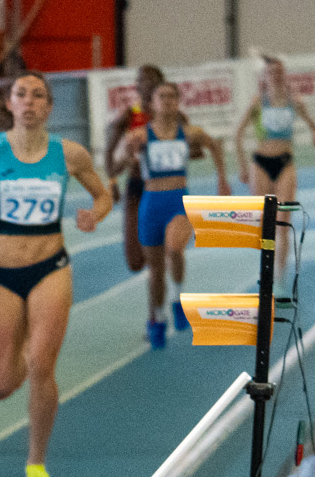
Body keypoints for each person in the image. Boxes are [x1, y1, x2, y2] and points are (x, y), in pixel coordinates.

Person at [0, 71, 111, 477]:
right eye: (21, 94)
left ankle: (36, 462)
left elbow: (104, 194)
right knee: (0, 385)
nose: (29, 102)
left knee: (42, 366)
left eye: (38, 95)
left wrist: (95, 214)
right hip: (2, 275)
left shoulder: (70, 154)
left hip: (51, 267)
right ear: (10, 104)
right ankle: (22, 348)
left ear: (49, 106)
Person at [116, 79, 229, 348]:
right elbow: (118, 162)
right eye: (161, 96)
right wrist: (128, 155)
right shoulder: (140, 135)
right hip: (151, 203)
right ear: (152, 104)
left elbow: (214, 146)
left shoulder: (189, 133)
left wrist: (222, 179)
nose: (167, 101)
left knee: (175, 248)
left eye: (171, 96)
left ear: (178, 102)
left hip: (178, 200)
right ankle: (158, 317)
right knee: (155, 270)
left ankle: (178, 298)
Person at [103, 63, 166, 275]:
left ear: (160, 84)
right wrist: (112, 182)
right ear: (136, 86)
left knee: (160, 258)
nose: (145, 84)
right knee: (135, 262)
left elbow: (193, 147)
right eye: (141, 80)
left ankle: (161, 293)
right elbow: (109, 152)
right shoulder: (129, 115)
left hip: (164, 189)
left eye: (150, 80)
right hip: (136, 187)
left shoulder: (171, 115)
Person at [237, 55, 313, 206]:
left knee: (284, 212)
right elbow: (238, 133)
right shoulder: (258, 102)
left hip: (285, 161)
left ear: (284, 75)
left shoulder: (295, 101)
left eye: (279, 72)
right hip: (261, 163)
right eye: (270, 72)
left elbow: (312, 124)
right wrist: (242, 166)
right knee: (264, 213)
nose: (275, 75)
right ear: (264, 77)